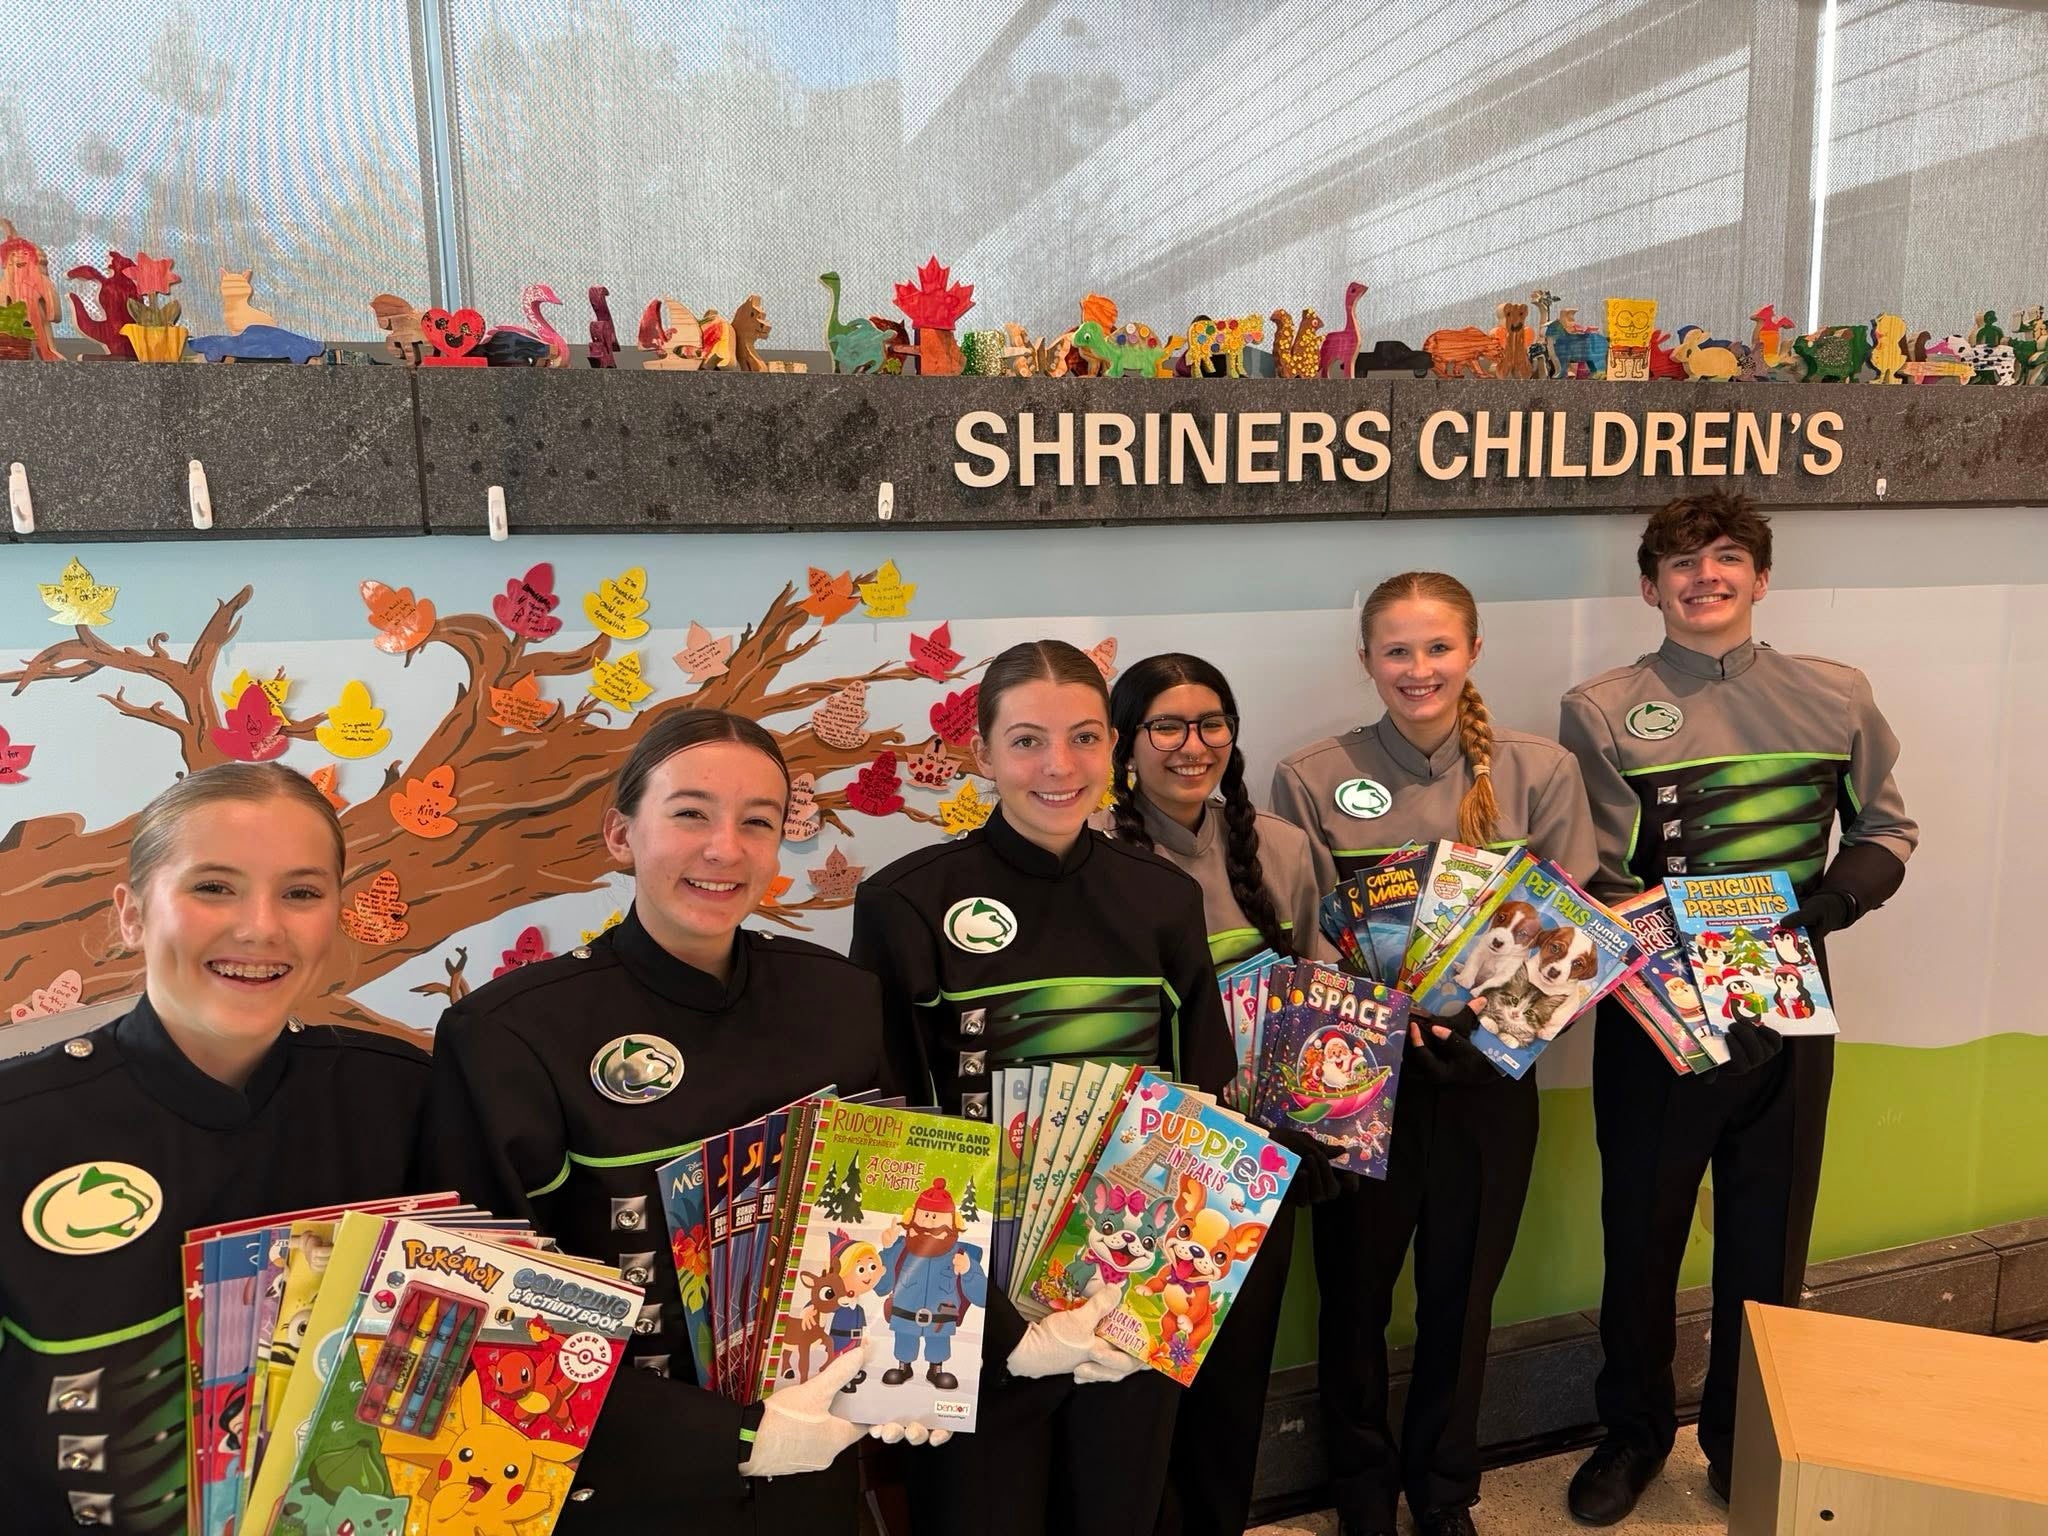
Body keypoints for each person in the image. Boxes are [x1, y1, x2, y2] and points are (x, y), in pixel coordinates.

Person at [420, 710, 902, 1534]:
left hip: (816, 1464)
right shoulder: (508, 1035)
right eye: (690, 813)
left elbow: (888, 1219)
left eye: (758, 822)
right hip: (623, 1482)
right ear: (620, 834)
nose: (725, 848)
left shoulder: (841, 999)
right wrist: (733, 1435)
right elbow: (483, 1314)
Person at [1557, 490, 1915, 1521]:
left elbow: (1886, 828)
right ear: (1647, 586)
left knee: (1767, 1242)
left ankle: (1737, 1440)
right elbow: (1591, 872)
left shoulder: (1835, 695)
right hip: (1655, 1009)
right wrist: (1663, 957)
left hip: (1789, 999)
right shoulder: (1598, 707)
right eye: (1678, 562)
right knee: (1640, 1233)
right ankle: (1629, 1434)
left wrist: (1827, 907)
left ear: (1759, 579)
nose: (1701, 576)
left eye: (1724, 558)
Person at [850, 638, 1236, 1536]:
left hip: (1123, 1286)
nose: (1059, 767)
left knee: (1117, 1511)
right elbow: (888, 1127)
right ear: (980, 754)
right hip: (970, 1300)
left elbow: (1202, 1103)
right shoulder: (907, 902)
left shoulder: (1162, 898)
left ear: (1113, 748)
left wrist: (1150, 1296)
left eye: (1085, 738)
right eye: (1026, 741)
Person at [0, 762, 431, 1534]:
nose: (260, 926)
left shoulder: (401, 1097)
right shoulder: (18, 1123)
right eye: (213, 887)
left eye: (300, 893)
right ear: (131, 914)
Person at [1270, 572, 1596, 1536]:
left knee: (1461, 1302)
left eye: (1438, 648)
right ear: (1366, 659)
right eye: (1397, 651)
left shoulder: (1541, 771)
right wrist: (1381, 1027)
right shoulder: (1311, 775)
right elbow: (1308, 937)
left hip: (1490, 1082)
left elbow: (1578, 942)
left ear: (1475, 652)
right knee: (1355, 1303)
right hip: (1358, 1084)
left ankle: (1445, 1492)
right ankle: (1362, 1494)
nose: (1419, 669)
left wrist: (1494, 1036)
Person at [1106, 650, 1342, 1536]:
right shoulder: (1094, 856)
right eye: (1165, 725)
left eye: (1211, 724)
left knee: (1235, 1388)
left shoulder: (1280, 845)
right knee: (1135, 1393)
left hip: (1257, 1171)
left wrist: (1318, 1130)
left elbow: (1327, 1003)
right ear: (1127, 742)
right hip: (1133, 1172)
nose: (1190, 744)